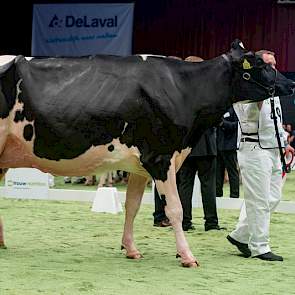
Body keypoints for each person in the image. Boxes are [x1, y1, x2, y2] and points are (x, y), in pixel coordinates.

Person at [227, 49, 295, 261]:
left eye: (274, 65)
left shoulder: (273, 91)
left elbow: (275, 121)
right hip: (254, 150)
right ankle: (260, 246)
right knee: (259, 201)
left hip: (274, 149)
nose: (273, 69)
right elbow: (247, 119)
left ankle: (240, 235)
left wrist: (284, 142)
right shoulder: (245, 90)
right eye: (268, 65)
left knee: (272, 198)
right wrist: (259, 96)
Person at [153, 56, 223, 232]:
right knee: (208, 186)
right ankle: (211, 222)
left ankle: (185, 222)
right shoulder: (208, 90)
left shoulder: (178, 91)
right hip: (206, 144)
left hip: (185, 146)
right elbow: (217, 118)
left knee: (185, 185)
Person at [216, 107, 240, 198]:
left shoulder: (233, 110)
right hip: (218, 146)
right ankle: (217, 194)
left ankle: (234, 195)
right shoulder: (218, 109)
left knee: (232, 171)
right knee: (218, 172)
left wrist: (223, 123)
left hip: (229, 146)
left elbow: (237, 125)